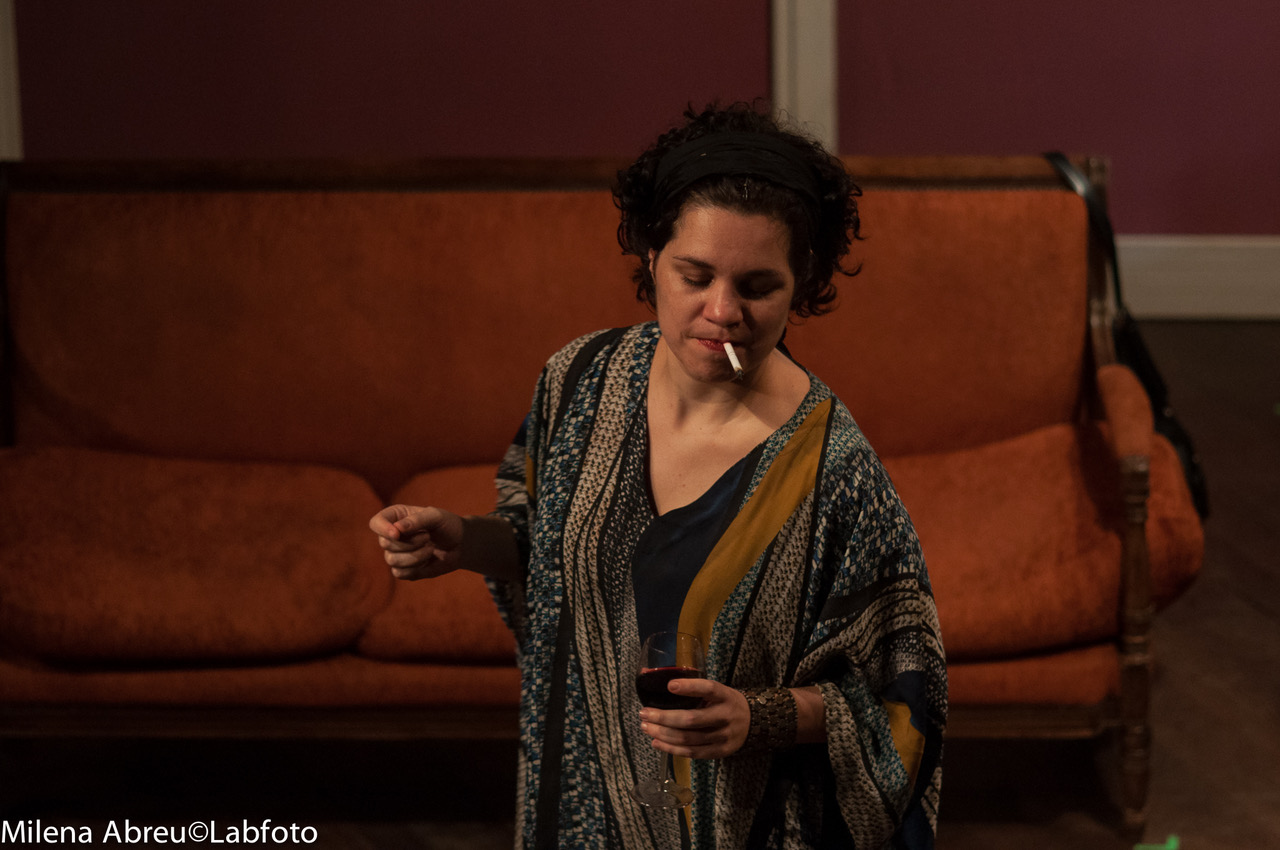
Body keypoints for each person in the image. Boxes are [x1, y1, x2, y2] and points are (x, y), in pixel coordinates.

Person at [369, 102, 946, 850]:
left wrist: (759, 717)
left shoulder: (832, 471)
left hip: (736, 825)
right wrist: (464, 541)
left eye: (758, 286)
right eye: (695, 275)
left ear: (802, 284)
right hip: (576, 803)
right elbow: (546, 549)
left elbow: (902, 695)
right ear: (651, 258)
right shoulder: (580, 381)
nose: (722, 312)